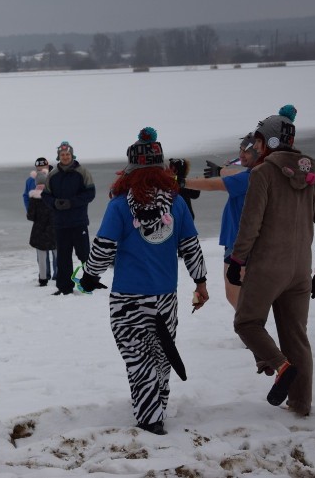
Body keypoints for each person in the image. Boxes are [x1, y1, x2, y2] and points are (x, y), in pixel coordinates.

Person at [80, 127, 209, 436]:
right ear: (162, 168)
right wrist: (200, 282)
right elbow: (190, 245)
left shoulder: (120, 206)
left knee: (137, 356)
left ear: (130, 171)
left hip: (128, 299)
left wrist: (88, 276)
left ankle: (150, 420)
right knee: (161, 353)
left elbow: (103, 249)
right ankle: (157, 404)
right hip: (166, 297)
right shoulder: (176, 204)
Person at [226, 105, 315, 416]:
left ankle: (280, 367)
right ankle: (301, 404)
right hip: (300, 271)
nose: (256, 146)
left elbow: (251, 224)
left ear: (270, 142)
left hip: (266, 269)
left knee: (247, 323)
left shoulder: (263, 174)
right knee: (296, 336)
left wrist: (237, 260)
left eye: (259, 140)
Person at [184, 133, 260, 309]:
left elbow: (212, 185)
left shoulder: (248, 179)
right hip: (240, 242)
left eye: (246, 152)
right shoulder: (254, 175)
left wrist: (180, 182)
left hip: (239, 244)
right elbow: (234, 174)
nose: (241, 155)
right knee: (240, 296)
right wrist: (220, 171)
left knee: (236, 295)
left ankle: (250, 328)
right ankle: (250, 326)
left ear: (258, 152)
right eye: (240, 150)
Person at [42, 141, 96, 295]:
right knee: (63, 257)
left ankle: (89, 283)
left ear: (72, 155)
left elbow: (90, 194)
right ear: (59, 156)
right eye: (62, 155)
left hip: (78, 222)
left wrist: (71, 203)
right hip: (61, 223)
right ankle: (64, 288)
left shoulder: (83, 172)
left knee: (84, 255)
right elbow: (45, 195)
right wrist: (55, 203)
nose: (65, 157)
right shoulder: (52, 175)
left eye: (67, 154)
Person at [27, 170, 57, 287]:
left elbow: (30, 216)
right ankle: (60, 276)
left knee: (42, 257)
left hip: (39, 230)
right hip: (54, 229)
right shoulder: (53, 196)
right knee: (58, 255)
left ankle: (43, 279)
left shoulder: (34, 198)